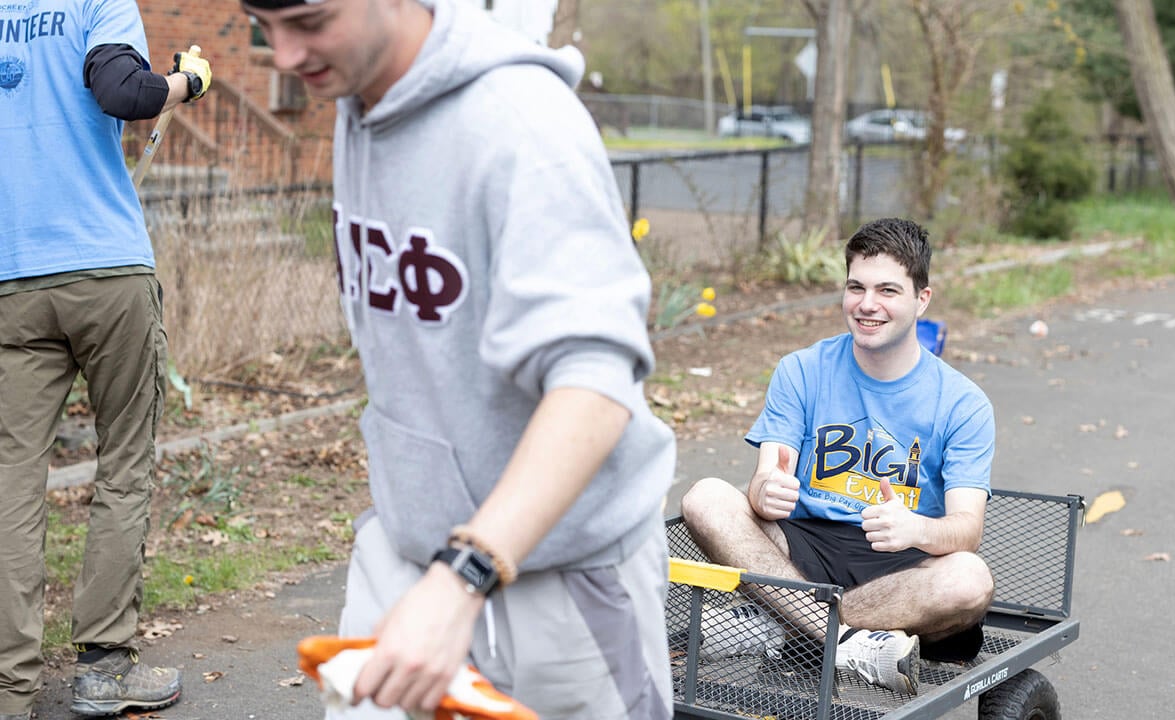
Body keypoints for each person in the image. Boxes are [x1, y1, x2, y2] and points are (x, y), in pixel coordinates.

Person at [237, 1, 676, 719]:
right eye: (263, 22)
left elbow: (595, 385)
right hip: (408, 558)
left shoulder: (520, 124)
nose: (283, 54)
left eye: (309, 20)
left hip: (557, 586)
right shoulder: (360, 96)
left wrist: (463, 574)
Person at [0, 3, 212, 719]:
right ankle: (102, 671)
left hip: (12, 280)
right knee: (123, 465)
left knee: (11, 482)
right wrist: (187, 81)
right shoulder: (99, 3)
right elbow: (123, 92)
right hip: (106, 269)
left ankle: (9, 690)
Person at [680, 217, 996, 696]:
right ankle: (845, 642)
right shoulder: (802, 370)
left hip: (900, 563)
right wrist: (766, 492)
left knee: (970, 579)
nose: (867, 305)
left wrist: (918, 528)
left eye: (888, 290)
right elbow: (767, 477)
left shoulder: (962, 403)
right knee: (706, 497)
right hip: (802, 549)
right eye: (856, 287)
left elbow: (966, 530)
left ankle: (781, 628)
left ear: (921, 299)